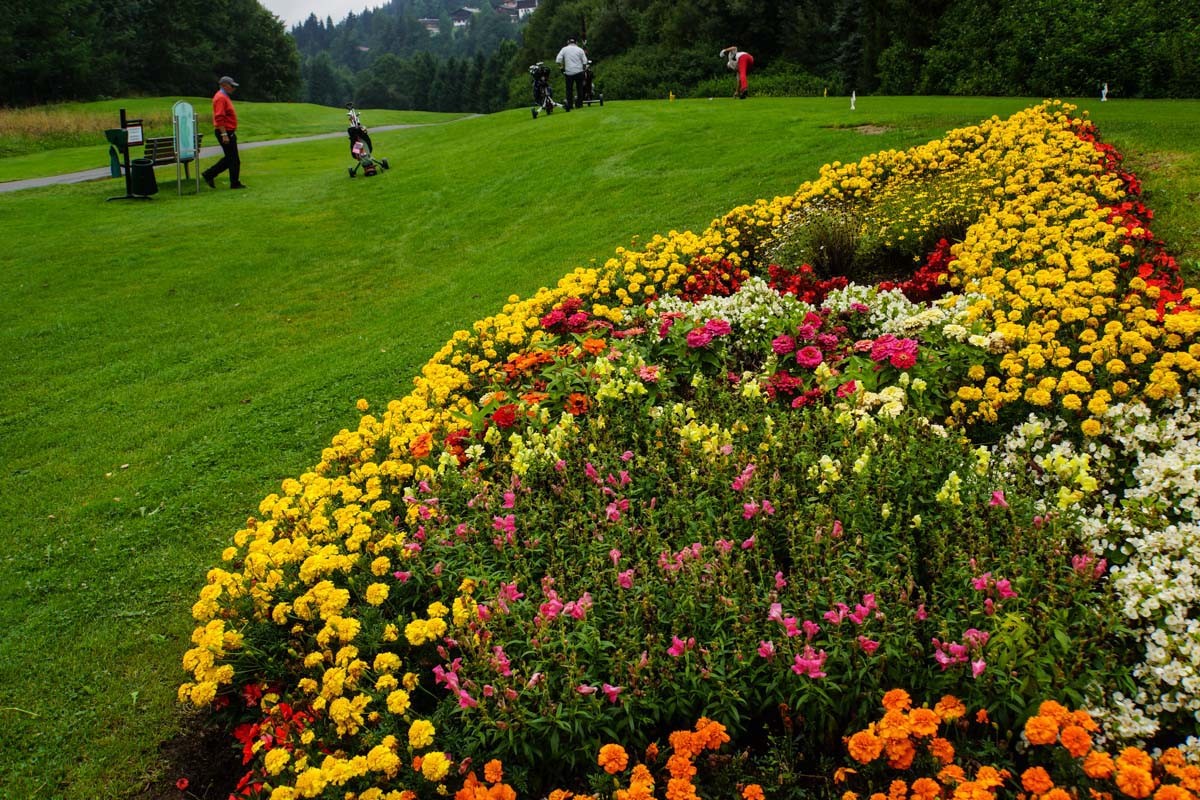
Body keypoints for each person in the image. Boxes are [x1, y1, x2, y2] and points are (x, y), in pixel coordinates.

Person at [202, 76, 246, 189]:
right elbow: (219, 117)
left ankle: (209, 174)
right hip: (225, 132)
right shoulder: (221, 98)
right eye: (232, 86)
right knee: (234, 160)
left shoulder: (224, 96)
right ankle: (234, 183)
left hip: (228, 132)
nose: (233, 88)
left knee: (230, 159)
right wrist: (224, 134)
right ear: (224, 85)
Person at [555, 37, 588, 111]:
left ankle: (570, 105)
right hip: (579, 71)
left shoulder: (564, 49)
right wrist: (584, 69)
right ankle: (579, 104)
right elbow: (585, 61)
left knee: (569, 90)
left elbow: (558, 60)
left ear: (568, 42)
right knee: (579, 89)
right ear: (576, 42)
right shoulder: (580, 50)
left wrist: (561, 68)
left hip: (569, 72)